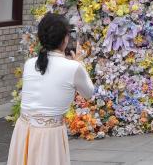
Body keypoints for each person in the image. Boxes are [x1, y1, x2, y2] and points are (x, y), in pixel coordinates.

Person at [8, 13, 94, 165]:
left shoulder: (30, 64)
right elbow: (89, 93)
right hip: (50, 134)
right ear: (65, 38)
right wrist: (79, 64)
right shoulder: (73, 67)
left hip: (23, 131)